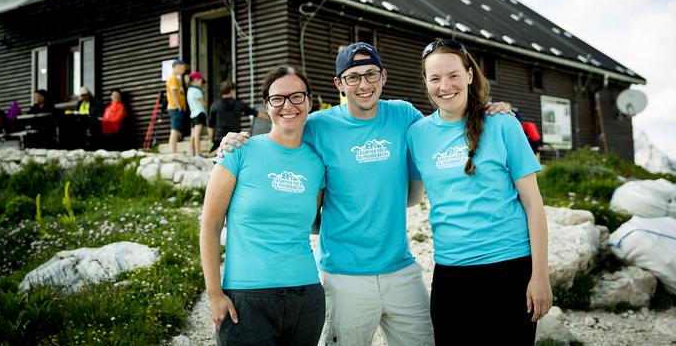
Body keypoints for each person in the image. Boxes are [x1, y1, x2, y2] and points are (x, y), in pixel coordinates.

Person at [220, 42, 512, 346]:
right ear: (339, 84)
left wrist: (492, 110)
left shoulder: (404, 115)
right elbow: (280, 133)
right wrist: (239, 140)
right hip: (344, 276)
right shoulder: (319, 125)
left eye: (371, 74)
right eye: (353, 77)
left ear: (383, 77)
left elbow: (447, 123)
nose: (364, 84)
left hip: (401, 270)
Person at [406, 39, 552, 345]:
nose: (444, 86)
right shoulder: (417, 134)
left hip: (510, 271)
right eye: (435, 78)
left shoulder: (502, 124)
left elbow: (533, 204)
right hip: (451, 274)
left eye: (453, 75)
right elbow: (410, 195)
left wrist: (540, 276)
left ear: (470, 75)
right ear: (425, 82)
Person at [200, 65, 326, 346]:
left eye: (297, 96)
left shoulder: (317, 164)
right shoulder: (238, 151)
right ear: (266, 107)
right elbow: (210, 226)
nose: (288, 105)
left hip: (306, 297)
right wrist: (214, 295)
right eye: (277, 98)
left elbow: (313, 222)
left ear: (309, 101)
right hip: (246, 300)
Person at [207, 81, 268, 156]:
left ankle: (216, 151)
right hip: (236, 139)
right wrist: (270, 118)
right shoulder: (239, 104)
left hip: (219, 139)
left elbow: (210, 126)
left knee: (211, 154)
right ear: (232, 91)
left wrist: (211, 139)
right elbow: (256, 114)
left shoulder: (215, 105)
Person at [166, 59, 187, 153]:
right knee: (174, 130)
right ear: (177, 66)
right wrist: (179, 106)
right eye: (183, 68)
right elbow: (173, 93)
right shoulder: (174, 78)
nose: (184, 70)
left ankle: (173, 150)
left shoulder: (175, 78)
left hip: (175, 107)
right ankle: (173, 151)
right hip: (175, 107)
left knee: (176, 129)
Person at [187, 71, 208, 156]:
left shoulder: (189, 90)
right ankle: (198, 153)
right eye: (201, 81)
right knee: (197, 134)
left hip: (192, 114)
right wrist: (207, 103)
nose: (201, 84)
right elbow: (203, 103)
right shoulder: (197, 91)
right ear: (196, 80)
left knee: (192, 135)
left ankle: (193, 153)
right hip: (199, 113)